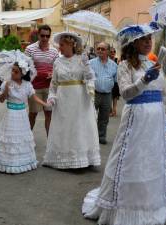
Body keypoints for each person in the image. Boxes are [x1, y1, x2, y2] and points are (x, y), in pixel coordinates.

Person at [82, 23, 166, 225]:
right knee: (132, 159)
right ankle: (125, 205)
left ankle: (150, 204)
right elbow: (125, 93)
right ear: (133, 43)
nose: (149, 43)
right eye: (144, 39)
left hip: (155, 120)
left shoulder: (153, 65)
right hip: (137, 118)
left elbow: (163, 95)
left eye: (150, 39)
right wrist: (144, 81)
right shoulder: (124, 66)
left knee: (150, 160)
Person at [42, 32, 100, 169]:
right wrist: (51, 97)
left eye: (62, 45)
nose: (59, 47)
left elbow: (90, 77)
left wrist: (87, 67)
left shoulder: (82, 59)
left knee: (79, 127)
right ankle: (62, 158)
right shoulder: (57, 61)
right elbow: (54, 83)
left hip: (80, 99)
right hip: (63, 99)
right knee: (64, 128)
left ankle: (82, 159)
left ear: (71, 45)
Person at [0, 62, 49, 174]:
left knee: (21, 139)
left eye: (16, 71)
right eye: (12, 70)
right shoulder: (7, 83)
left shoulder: (27, 84)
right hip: (11, 113)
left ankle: (23, 162)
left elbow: (34, 97)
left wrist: (45, 104)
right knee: (10, 139)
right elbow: (1, 99)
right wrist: (6, 88)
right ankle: (7, 162)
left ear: (22, 73)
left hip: (22, 115)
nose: (13, 73)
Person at [25, 24, 59, 136]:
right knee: (33, 113)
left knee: (49, 114)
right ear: (38, 35)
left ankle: (50, 141)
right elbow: (25, 67)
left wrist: (53, 73)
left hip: (49, 88)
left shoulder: (54, 51)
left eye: (47, 36)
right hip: (34, 87)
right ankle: (27, 139)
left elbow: (57, 67)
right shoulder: (29, 49)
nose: (45, 38)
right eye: (42, 36)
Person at [90, 42, 118, 144]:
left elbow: (115, 81)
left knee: (104, 117)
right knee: (91, 116)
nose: (100, 51)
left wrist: (114, 103)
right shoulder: (91, 63)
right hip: (93, 93)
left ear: (108, 51)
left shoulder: (114, 65)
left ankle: (101, 136)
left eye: (102, 49)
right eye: (98, 49)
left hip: (107, 94)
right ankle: (90, 137)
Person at [109, 47, 121, 117]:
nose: (112, 53)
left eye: (114, 52)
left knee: (115, 97)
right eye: (111, 52)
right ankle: (110, 109)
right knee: (109, 96)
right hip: (109, 81)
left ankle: (114, 109)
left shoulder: (117, 60)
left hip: (116, 81)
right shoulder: (106, 60)